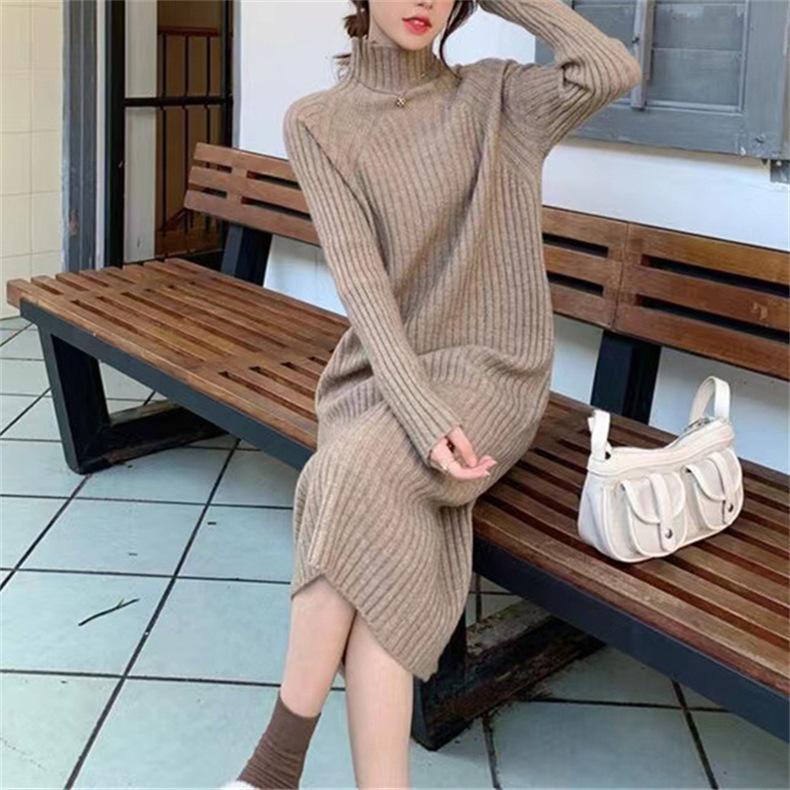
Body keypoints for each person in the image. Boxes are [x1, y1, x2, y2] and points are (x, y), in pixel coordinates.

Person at [223, 1, 642, 788]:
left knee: (347, 473)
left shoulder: (501, 98)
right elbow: (363, 286)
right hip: (380, 374)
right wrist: (418, 414)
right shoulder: (318, 121)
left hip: (492, 373)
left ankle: (273, 763)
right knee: (387, 527)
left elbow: (610, 68)